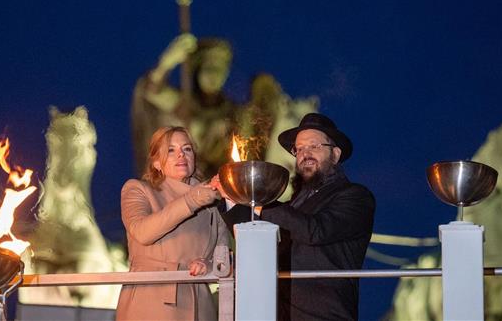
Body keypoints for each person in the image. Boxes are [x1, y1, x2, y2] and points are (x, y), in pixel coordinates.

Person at [217, 113, 375, 321]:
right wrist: (231, 196)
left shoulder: (355, 196)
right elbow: (254, 231)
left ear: (335, 155)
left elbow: (315, 230)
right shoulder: (295, 203)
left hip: (324, 316)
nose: (305, 154)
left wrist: (260, 200)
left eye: (314, 146)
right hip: (277, 313)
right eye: (299, 149)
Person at [116, 126, 229, 321]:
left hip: (200, 304)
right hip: (151, 300)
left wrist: (208, 265)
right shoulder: (138, 189)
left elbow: (223, 259)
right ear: (156, 163)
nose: (181, 155)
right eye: (170, 150)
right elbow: (142, 232)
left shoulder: (212, 203)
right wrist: (192, 200)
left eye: (187, 149)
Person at [131, 33, 235, 180]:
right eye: (209, 68)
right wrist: (166, 63)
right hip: (179, 186)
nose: (214, 75)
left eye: (220, 69)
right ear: (198, 70)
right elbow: (151, 90)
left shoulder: (232, 112)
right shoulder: (182, 104)